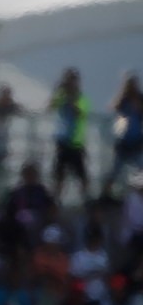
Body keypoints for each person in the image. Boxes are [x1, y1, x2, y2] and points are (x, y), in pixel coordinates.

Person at [49, 68, 91, 204]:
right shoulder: (61, 96)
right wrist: (58, 92)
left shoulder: (81, 97)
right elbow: (51, 106)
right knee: (59, 175)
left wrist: (71, 99)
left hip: (76, 142)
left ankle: (86, 201)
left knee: (82, 175)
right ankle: (56, 201)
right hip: (62, 140)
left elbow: (81, 113)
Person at [103, 72, 143, 198]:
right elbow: (112, 108)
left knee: (140, 167)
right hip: (123, 140)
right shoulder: (122, 99)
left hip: (137, 140)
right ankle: (106, 194)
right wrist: (122, 95)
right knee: (115, 169)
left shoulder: (140, 98)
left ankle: (139, 193)